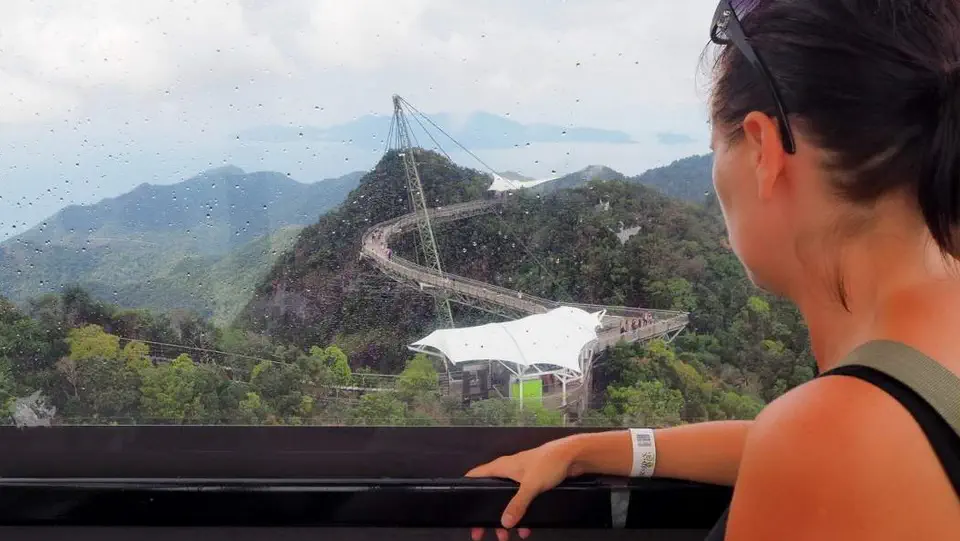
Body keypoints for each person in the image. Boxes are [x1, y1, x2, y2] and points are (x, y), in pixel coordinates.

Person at [466, 1, 960, 539]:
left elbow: (829, 447)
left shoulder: (833, 441)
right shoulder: (893, 388)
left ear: (762, 149)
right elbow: (824, 440)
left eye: (714, 148)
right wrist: (589, 450)